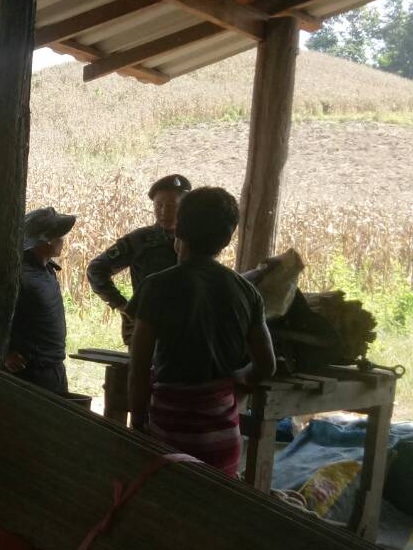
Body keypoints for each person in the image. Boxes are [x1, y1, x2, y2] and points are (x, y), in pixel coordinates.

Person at [127, 187, 276, 478]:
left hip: (170, 431)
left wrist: (137, 423)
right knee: (212, 504)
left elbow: (139, 367)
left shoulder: (156, 287)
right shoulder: (246, 292)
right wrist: (238, 379)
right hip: (223, 438)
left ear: (179, 228)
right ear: (227, 238)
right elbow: (266, 365)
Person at [86, 173, 191, 346]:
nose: (164, 212)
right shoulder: (140, 240)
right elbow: (96, 269)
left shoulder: (196, 241)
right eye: (159, 205)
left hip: (186, 333)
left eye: (172, 206)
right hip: (147, 332)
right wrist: (122, 305)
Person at [5, 206, 76, 394]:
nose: (63, 240)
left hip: (53, 369)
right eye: (59, 235)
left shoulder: (47, 270)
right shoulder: (20, 277)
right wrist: (5, 353)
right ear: (46, 241)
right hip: (31, 374)